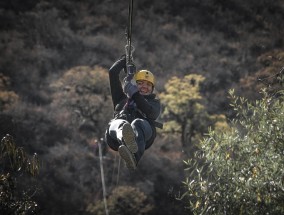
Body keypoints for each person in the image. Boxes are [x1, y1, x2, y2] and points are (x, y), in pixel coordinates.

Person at [105, 55, 162, 170]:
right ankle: (126, 140)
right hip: (115, 137)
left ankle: (133, 157)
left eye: (148, 85)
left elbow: (150, 112)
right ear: (135, 84)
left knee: (137, 123)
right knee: (121, 123)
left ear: (152, 88)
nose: (144, 87)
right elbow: (112, 73)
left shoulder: (154, 103)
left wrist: (134, 93)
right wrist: (125, 60)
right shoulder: (121, 99)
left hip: (142, 136)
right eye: (140, 83)